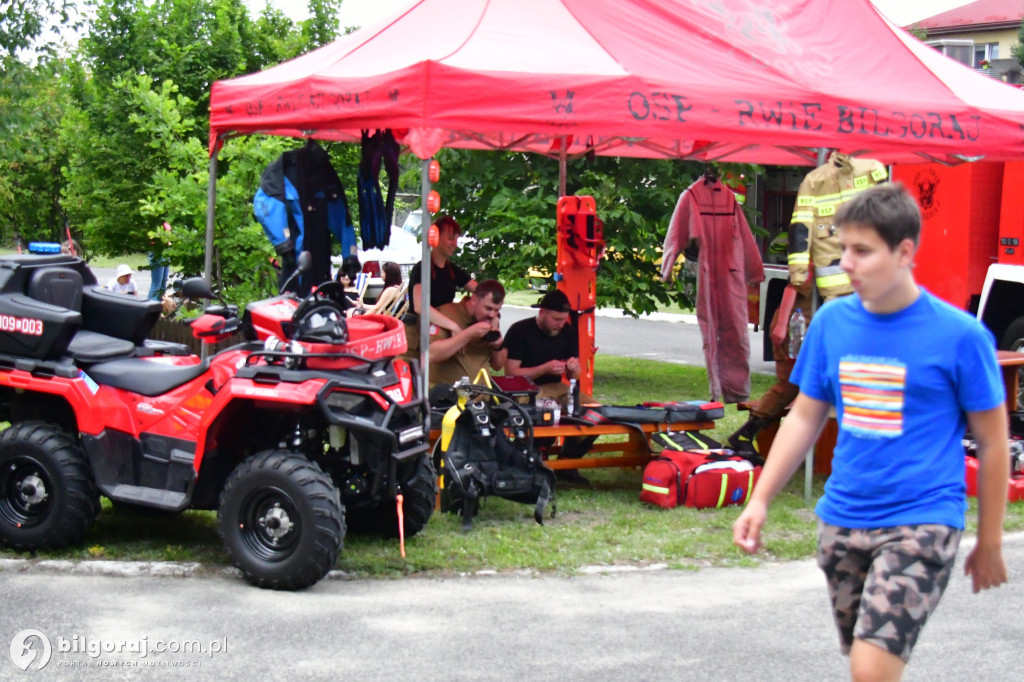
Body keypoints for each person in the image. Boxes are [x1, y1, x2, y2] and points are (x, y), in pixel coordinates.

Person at [732, 183, 1009, 682]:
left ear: (904, 251)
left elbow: (992, 442)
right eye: (842, 251)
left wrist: (989, 541)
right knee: (866, 658)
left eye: (863, 251)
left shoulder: (961, 337)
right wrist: (760, 499)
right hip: (842, 521)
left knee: (871, 668)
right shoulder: (832, 322)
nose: (847, 265)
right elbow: (804, 416)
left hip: (922, 521)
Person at [503, 289, 592, 484]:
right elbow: (510, 373)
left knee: (595, 412)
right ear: (542, 312)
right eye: (556, 319)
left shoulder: (567, 330)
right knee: (543, 412)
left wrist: (573, 368)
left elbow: (574, 376)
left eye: (563, 319)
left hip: (557, 387)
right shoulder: (520, 331)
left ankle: (568, 461)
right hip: (527, 388)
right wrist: (543, 369)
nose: (560, 324)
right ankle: (536, 459)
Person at [426, 279, 506, 389]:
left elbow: (498, 366)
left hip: (481, 397)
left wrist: (498, 346)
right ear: (474, 300)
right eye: (488, 308)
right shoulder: (446, 314)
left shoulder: (492, 319)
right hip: (447, 398)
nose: (492, 314)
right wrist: (468, 334)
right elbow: (431, 355)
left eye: (497, 310)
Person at [408, 215, 477, 332]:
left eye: (456, 239)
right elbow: (420, 306)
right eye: (450, 238)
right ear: (435, 238)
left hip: (439, 330)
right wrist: (453, 326)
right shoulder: (421, 269)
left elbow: (481, 291)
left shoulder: (453, 270)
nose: (455, 244)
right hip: (418, 333)